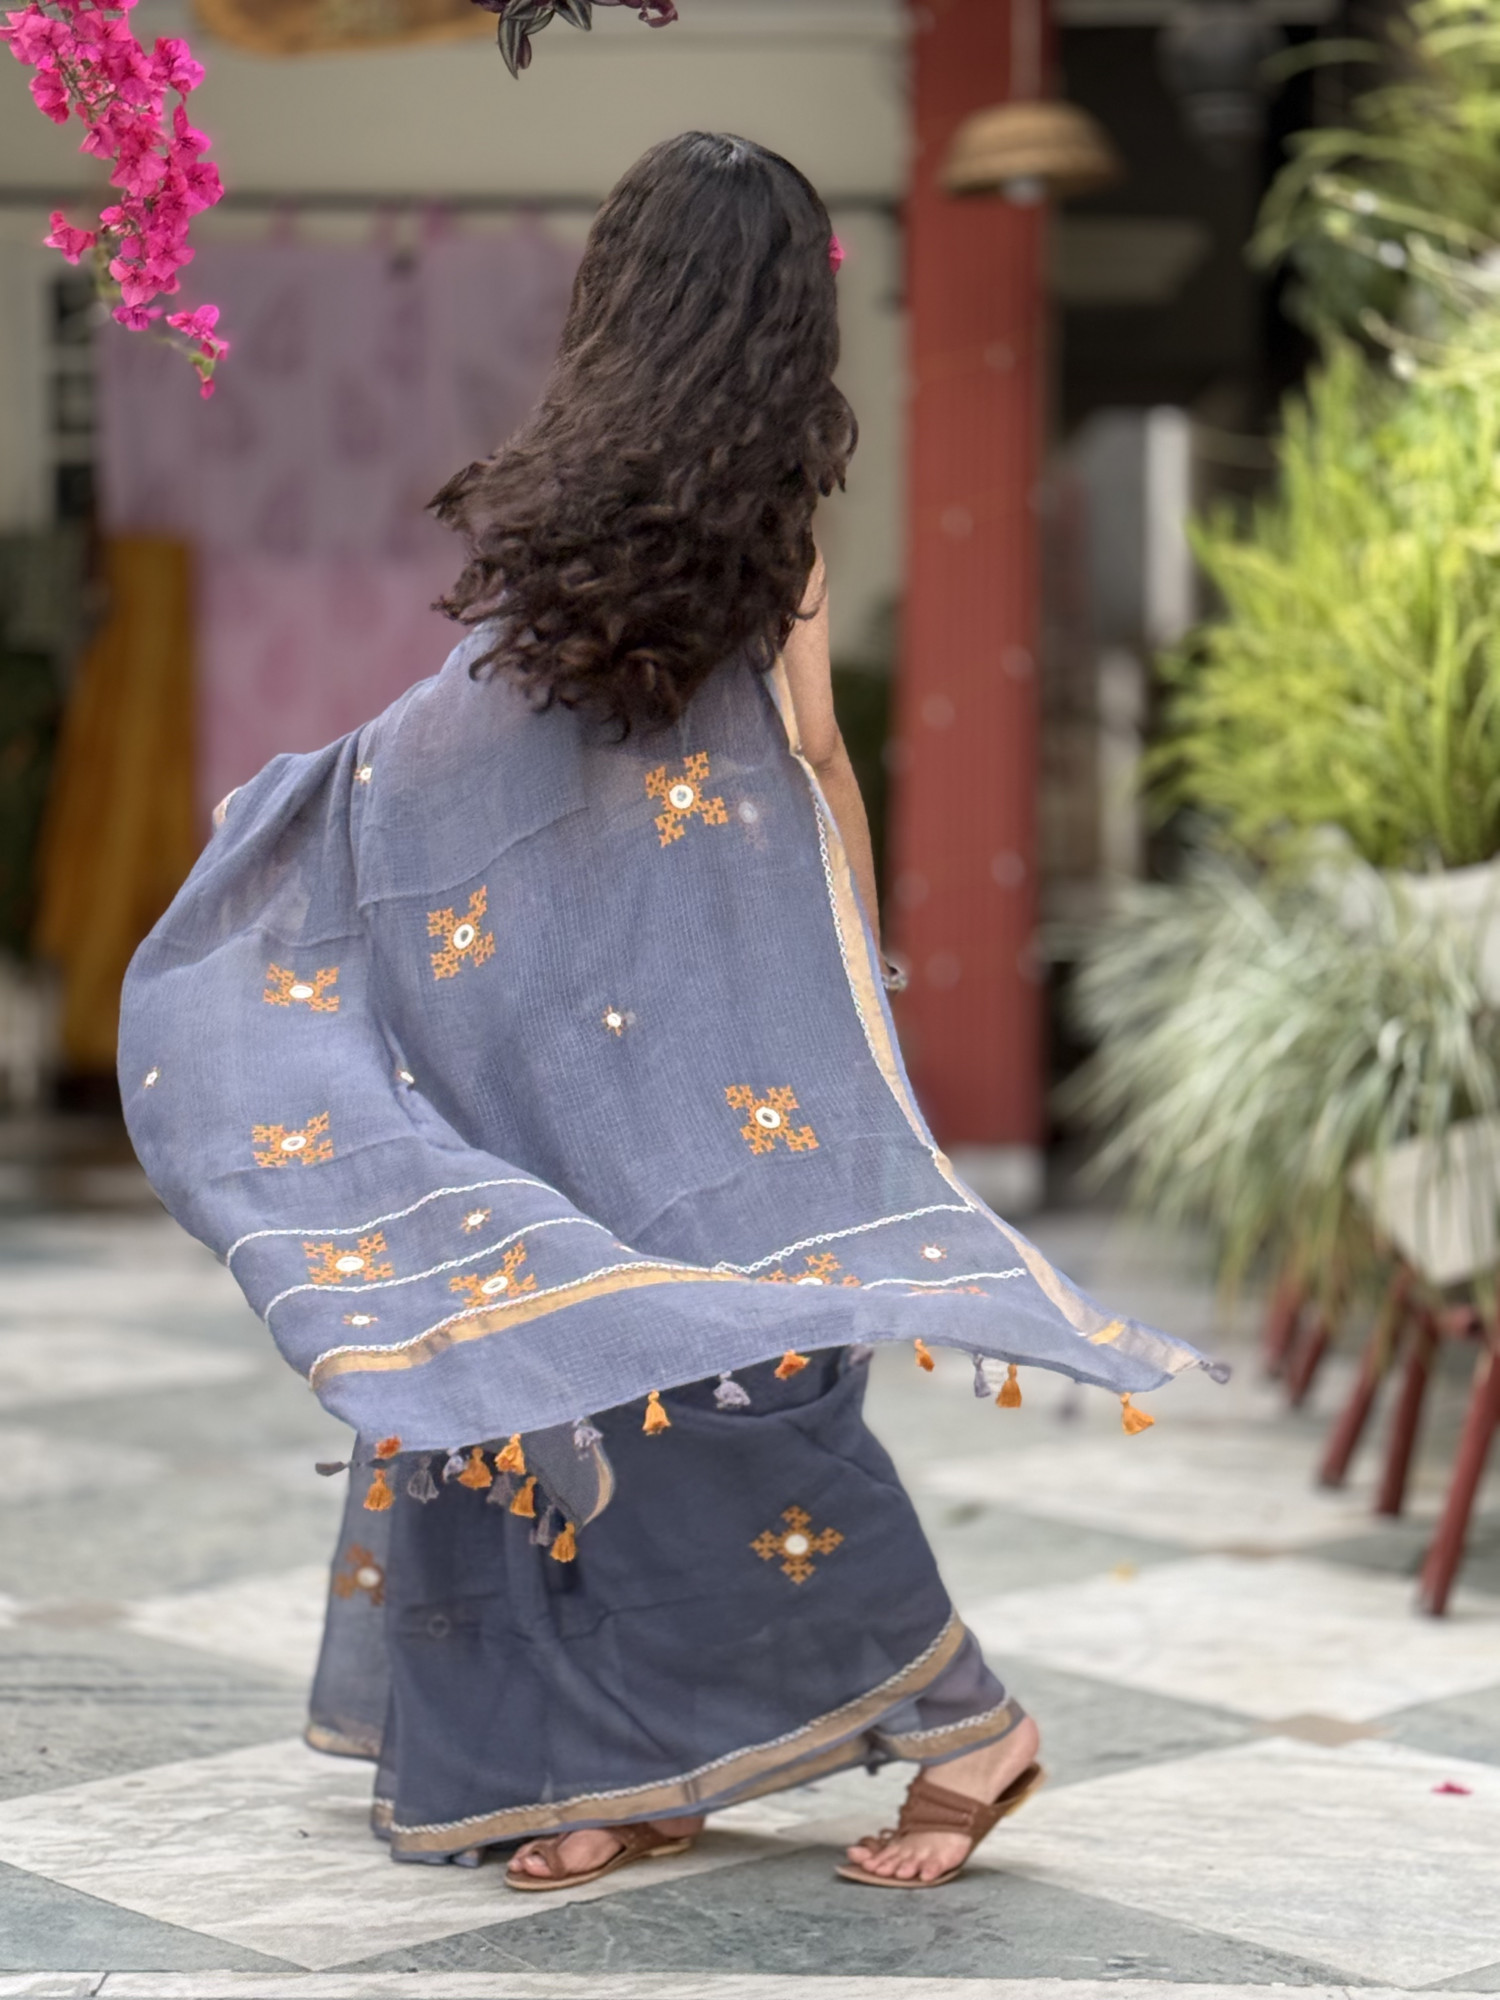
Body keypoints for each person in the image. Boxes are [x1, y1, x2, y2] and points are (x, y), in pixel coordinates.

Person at [121, 132, 1218, 1894]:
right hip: (629, 1050)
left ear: (622, 298)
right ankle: (649, 1769)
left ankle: (972, 1724)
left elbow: (543, 766)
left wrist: (304, 819)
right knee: (571, 1373)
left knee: (723, 1395)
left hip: (661, 1053)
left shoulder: (627, 536)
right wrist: (858, 985)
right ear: (782, 325)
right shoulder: (699, 539)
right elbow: (804, 772)